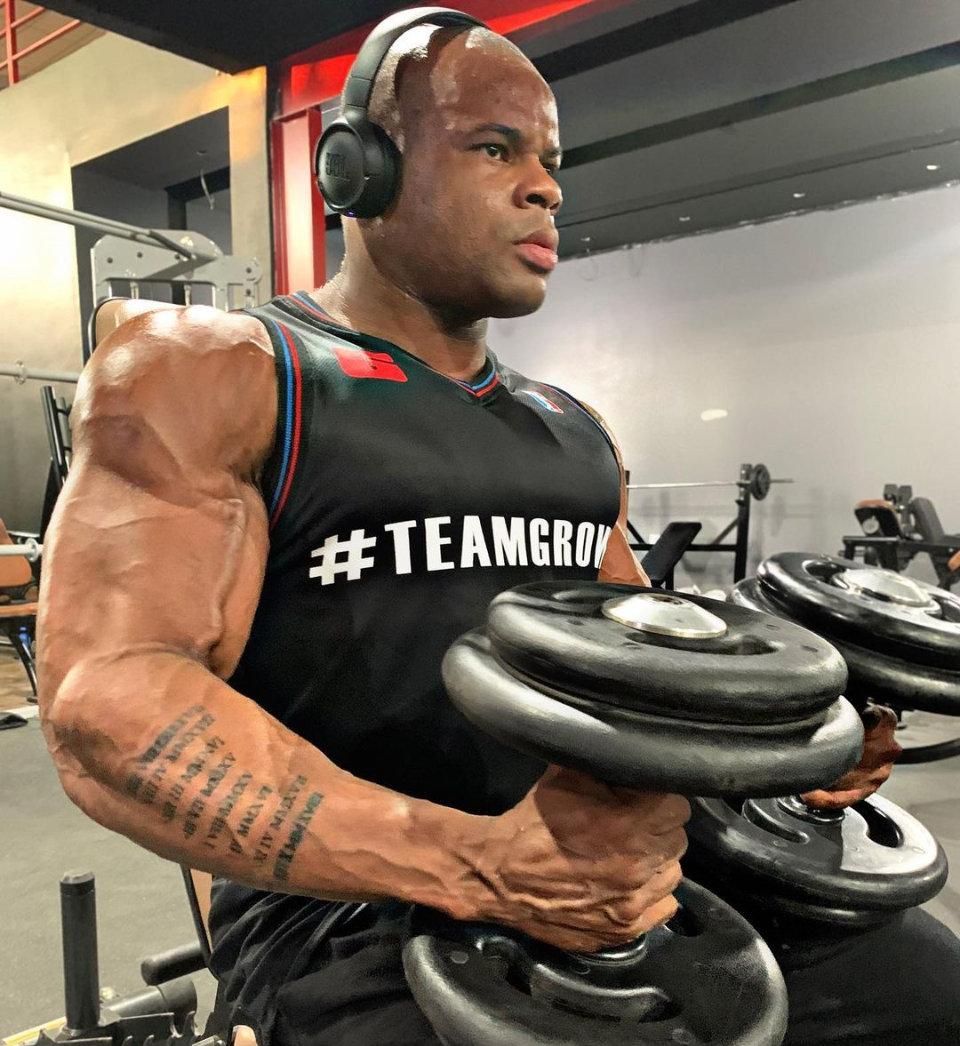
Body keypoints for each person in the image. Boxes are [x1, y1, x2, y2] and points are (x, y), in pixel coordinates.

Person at [37, 14, 959, 1046]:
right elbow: (107, 700)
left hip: (603, 871)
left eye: (551, 162)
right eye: (494, 148)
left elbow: (649, 688)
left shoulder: (573, 429)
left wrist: (786, 750)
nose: (546, 189)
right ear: (359, 170)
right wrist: (478, 864)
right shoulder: (227, 370)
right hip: (352, 910)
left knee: (928, 987)